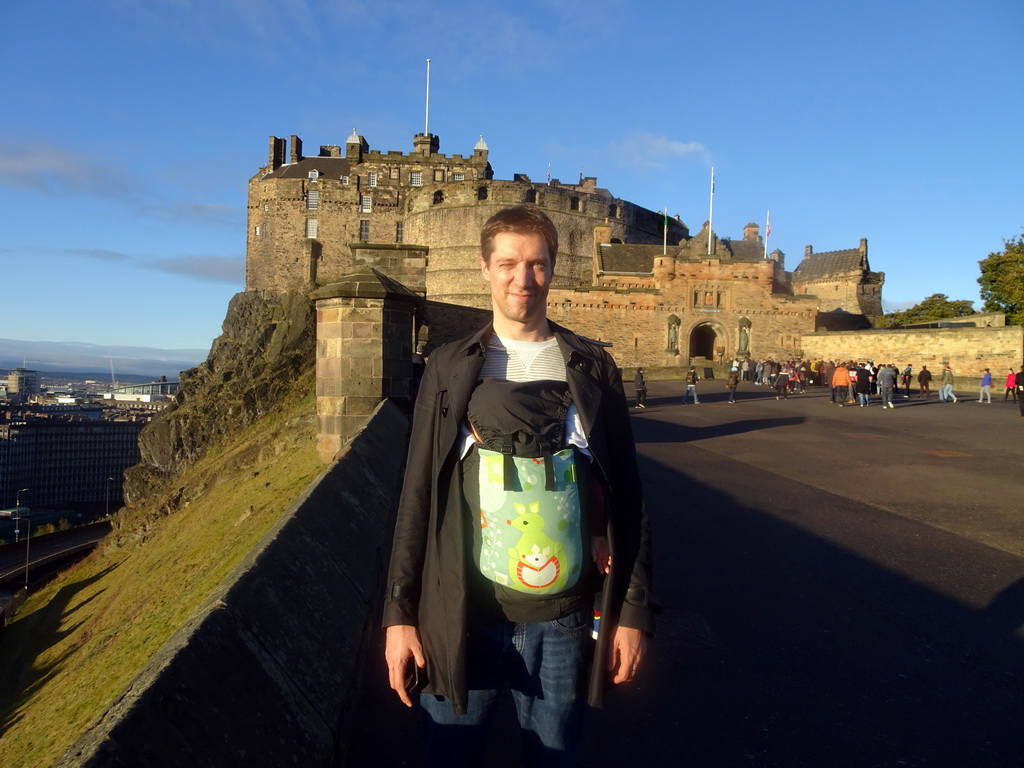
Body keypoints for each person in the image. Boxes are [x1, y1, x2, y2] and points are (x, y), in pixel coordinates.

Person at [382, 206, 654, 767]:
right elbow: (418, 496)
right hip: (460, 615)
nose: (522, 279)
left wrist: (633, 613)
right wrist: (398, 615)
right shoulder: (449, 367)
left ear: (555, 268)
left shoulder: (591, 366)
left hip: (562, 619)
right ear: (485, 268)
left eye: (537, 264)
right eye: (508, 263)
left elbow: (628, 492)